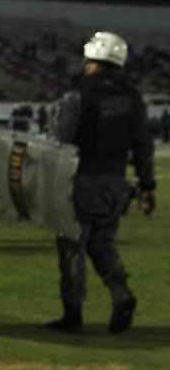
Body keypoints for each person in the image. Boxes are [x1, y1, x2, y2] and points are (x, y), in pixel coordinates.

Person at [45, 31, 154, 334]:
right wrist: (147, 186)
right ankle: (121, 293)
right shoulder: (132, 97)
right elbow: (143, 144)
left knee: (72, 247)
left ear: (92, 58)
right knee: (103, 243)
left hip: (81, 181)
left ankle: (73, 314)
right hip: (116, 184)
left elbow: (59, 142)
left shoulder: (77, 94)